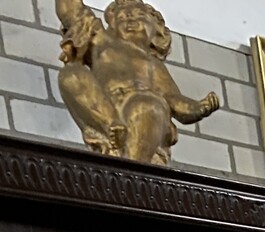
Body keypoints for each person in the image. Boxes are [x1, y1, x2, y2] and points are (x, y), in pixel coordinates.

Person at [55, 0, 220, 164]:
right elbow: (72, 12)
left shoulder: (153, 64)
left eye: (139, 16)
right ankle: (111, 126)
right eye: (124, 17)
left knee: (148, 107)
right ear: (112, 22)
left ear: (156, 32)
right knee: (71, 75)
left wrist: (197, 108)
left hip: (140, 106)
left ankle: (130, 169)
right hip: (106, 107)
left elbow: (172, 98)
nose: (131, 20)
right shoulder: (102, 41)